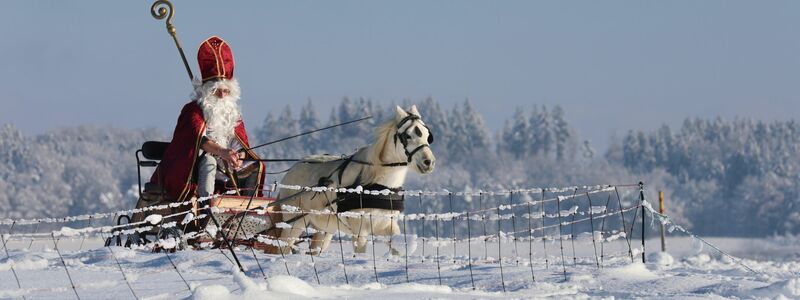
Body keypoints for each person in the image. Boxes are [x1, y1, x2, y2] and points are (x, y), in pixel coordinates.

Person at [150, 36, 265, 202]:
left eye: (226, 91)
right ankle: (207, 207)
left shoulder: (232, 112)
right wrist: (222, 152)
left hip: (226, 164)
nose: (222, 95)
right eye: (217, 91)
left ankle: (248, 208)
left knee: (257, 166)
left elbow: (238, 141)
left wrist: (237, 156)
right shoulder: (193, 110)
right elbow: (197, 140)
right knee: (209, 162)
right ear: (206, 90)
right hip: (195, 164)